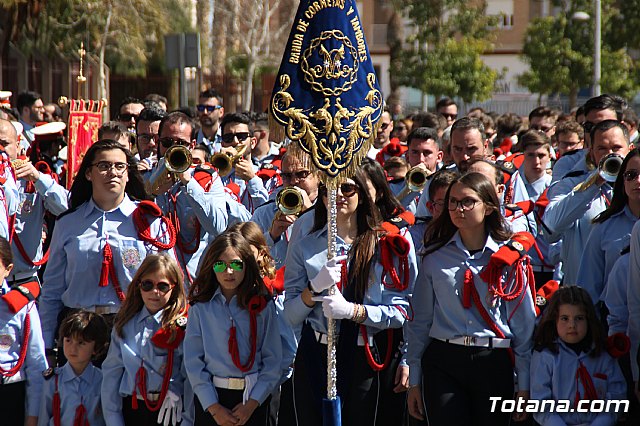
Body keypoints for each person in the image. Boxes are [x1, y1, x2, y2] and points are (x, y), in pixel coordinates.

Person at [283, 168, 416, 425]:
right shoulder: (305, 246)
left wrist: (353, 311)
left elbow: (401, 311)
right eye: (329, 190)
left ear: (362, 195)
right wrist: (313, 290)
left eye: (347, 189)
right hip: (316, 352)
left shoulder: (385, 244)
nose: (338, 196)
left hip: (363, 354)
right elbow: (289, 315)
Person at [406, 172, 535, 426]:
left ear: (488, 207)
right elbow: (419, 321)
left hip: (493, 361)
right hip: (444, 359)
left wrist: (525, 383)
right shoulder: (434, 257)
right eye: (452, 202)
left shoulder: (509, 259)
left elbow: (523, 325)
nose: (457, 209)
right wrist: (414, 380)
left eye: (467, 202)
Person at [39, 139, 177, 363]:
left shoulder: (150, 221)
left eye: (119, 166)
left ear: (128, 174)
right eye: (103, 166)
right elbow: (52, 290)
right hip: (77, 331)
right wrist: (46, 344)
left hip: (131, 329)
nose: (112, 172)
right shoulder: (68, 224)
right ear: (88, 174)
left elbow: (171, 282)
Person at [184, 232, 281, 425]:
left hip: (253, 398)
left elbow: (273, 360)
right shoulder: (200, 308)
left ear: (247, 265)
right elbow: (194, 362)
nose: (229, 272)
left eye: (236, 264)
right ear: (212, 267)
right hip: (214, 399)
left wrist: (252, 404)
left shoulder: (262, 306)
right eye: (220, 265)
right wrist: (214, 408)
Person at [101, 254, 190, 426]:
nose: (154, 292)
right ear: (138, 286)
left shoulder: (182, 326)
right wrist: (114, 420)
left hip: (170, 407)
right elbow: (111, 375)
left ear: (174, 288)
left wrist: (187, 417)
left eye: (163, 286)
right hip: (133, 408)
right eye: (147, 285)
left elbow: (189, 374)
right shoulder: (124, 324)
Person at [544, 119, 631, 285]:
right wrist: (594, 183)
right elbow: (551, 230)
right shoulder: (571, 184)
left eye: (617, 148)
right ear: (591, 153)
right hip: (583, 296)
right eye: (602, 149)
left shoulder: (635, 187)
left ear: (630, 149)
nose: (610, 154)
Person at [530, 286, 626, 426]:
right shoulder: (545, 355)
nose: (572, 325)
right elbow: (540, 404)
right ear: (554, 320)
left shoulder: (603, 354)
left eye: (579, 318)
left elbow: (617, 397)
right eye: (565, 318)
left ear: (589, 319)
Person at [577, 148, 640, 304]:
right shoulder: (604, 226)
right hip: (612, 319)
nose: (638, 181)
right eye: (631, 175)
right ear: (622, 181)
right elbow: (588, 285)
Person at [0, 236, 47, 426]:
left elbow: (36, 364)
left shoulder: (21, 306)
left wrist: (33, 415)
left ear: (8, 270)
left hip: (9, 395)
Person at [251, 143, 319, 268]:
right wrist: (271, 236)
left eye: (301, 174)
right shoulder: (263, 214)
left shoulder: (332, 210)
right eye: (287, 176)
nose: (293, 182)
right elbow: (247, 258)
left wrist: (310, 213)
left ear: (318, 176)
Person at [38, 311, 109, 426]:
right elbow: (44, 418)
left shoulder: (103, 380)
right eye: (68, 340)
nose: (72, 348)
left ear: (96, 347)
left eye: (81, 343)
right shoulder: (52, 380)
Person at [195, 88, 224, 154]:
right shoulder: (191, 139)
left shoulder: (229, 138)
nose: (205, 112)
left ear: (221, 112)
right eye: (201, 108)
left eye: (210, 108)